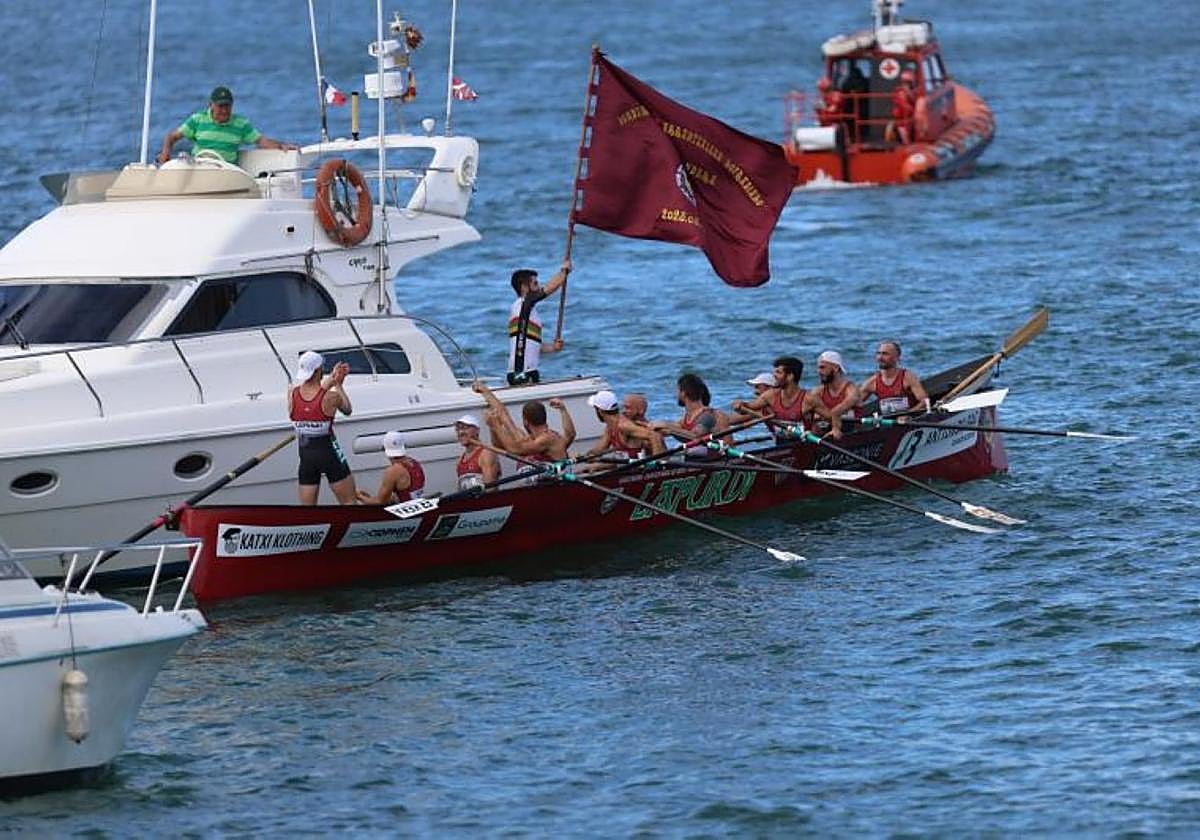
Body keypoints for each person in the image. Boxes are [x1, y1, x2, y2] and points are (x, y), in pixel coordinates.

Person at [157, 86, 298, 165]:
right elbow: (172, 136)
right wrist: (166, 152)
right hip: (200, 169)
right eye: (220, 106)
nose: (224, 110)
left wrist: (281, 146)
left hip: (226, 172)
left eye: (227, 106)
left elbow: (260, 140)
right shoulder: (198, 120)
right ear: (211, 105)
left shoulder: (240, 124)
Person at [288, 350, 357, 505]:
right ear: (319, 370)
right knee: (349, 503)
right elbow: (347, 410)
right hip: (330, 454)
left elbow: (313, 398)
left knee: (308, 511)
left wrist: (331, 379)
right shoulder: (331, 397)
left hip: (306, 458)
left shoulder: (291, 393)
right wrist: (338, 384)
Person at [507, 259, 571, 386]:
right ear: (524, 287)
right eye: (535, 283)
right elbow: (549, 288)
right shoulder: (523, 303)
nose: (538, 286)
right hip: (523, 373)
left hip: (526, 372)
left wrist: (552, 348)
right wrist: (564, 272)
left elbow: (533, 346)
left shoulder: (526, 312)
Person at [474, 381, 571, 463]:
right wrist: (485, 391)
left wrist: (496, 426)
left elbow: (516, 450)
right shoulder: (526, 439)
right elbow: (504, 415)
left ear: (526, 422)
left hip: (558, 484)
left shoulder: (548, 439)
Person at [733, 356, 809, 439]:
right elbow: (748, 408)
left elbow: (823, 416)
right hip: (782, 445)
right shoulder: (768, 399)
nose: (774, 375)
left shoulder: (808, 398)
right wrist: (741, 404)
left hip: (806, 446)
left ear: (790, 376)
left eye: (778, 372)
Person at [583, 389, 666, 460]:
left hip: (643, 473)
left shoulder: (624, 426)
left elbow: (655, 436)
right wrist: (584, 456)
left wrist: (656, 465)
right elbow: (598, 451)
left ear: (600, 411)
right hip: (630, 470)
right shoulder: (610, 427)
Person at [859, 340, 930, 416]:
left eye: (885, 354)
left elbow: (925, 402)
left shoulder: (907, 377)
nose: (880, 357)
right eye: (878, 353)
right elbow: (853, 404)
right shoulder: (872, 382)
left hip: (910, 421)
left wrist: (908, 415)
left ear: (897, 358)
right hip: (888, 423)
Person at [802, 350, 861, 440]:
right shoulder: (817, 392)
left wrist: (835, 428)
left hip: (851, 436)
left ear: (836, 368)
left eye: (822, 368)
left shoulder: (851, 390)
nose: (819, 372)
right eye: (818, 368)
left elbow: (837, 412)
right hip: (825, 437)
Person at [356, 431, 426, 504]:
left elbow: (379, 503)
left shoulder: (392, 472)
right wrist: (367, 497)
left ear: (384, 448)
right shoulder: (415, 464)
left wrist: (358, 496)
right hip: (418, 508)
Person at [652, 373, 721, 443]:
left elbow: (695, 436)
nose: (677, 394)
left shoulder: (707, 415)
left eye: (678, 390)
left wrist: (668, 427)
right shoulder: (687, 418)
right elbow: (676, 427)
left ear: (683, 393)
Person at [453, 414, 501, 491]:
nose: (461, 432)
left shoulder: (486, 454)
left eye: (465, 428)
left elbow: (490, 489)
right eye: (458, 429)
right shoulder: (460, 460)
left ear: (477, 430)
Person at [888, 71, 917, 144]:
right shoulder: (900, 92)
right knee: (905, 137)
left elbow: (914, 100)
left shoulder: (913, 92)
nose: (907, 84)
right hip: (902, 120)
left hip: (909, 118)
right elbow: (903, 105)